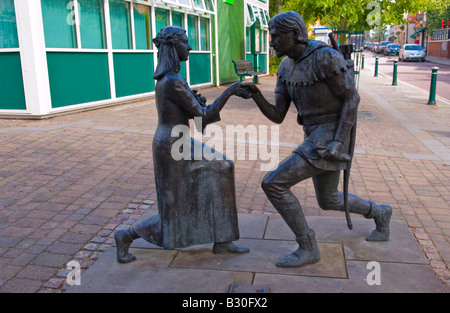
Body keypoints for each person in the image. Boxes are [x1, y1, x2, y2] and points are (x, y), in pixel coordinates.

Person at [239, 11, 392, 268]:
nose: (271, 42)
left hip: (331, 135)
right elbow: (278, 115)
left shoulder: (326, 57)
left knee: (273, 183)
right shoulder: (286, 66)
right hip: (314, 135)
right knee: (329, 199)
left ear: (295, 34)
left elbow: (351, 99)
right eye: (270, 36)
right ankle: (380, 212)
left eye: (276, 36)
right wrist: (255, 95)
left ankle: (308, 245)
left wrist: (337, 142)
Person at [114, 26, 249, 263]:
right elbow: (203, 117)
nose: (190, 47)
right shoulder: (172, 81)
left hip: (178, 142)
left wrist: (196, 103)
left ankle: (223, 239)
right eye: (185, 42)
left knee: (222, 169)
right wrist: (232, 90)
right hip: (173, 147)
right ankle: (125, 236)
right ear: (174, 47)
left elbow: (197, 118)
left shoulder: (173, 78)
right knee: (173, 206)